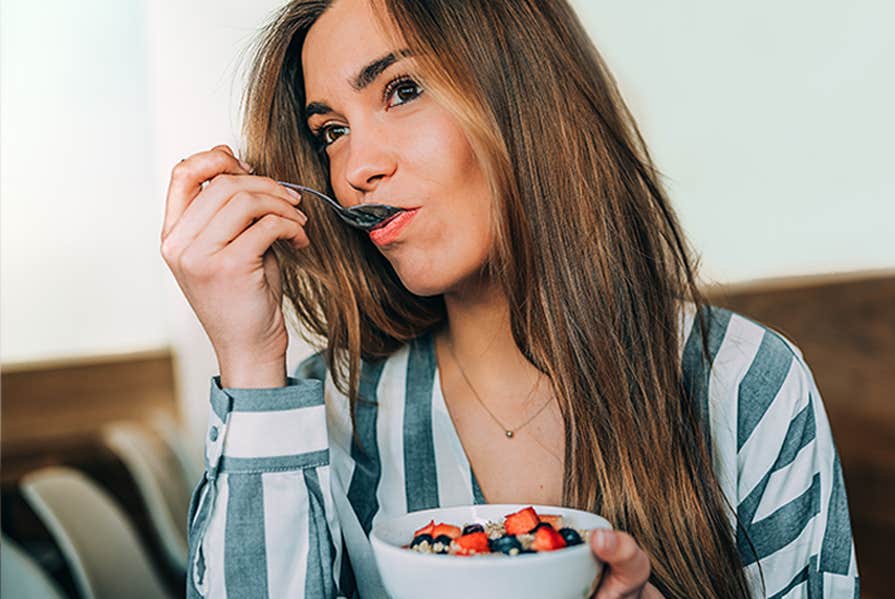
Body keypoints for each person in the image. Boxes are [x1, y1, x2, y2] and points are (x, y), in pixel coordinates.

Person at [160, 0, 858, 597]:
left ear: (525, 92)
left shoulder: (745, 386)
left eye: (402, 90)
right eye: (331, 132)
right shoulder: (327, 413)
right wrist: (249, 358)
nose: (356, 169)